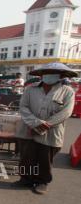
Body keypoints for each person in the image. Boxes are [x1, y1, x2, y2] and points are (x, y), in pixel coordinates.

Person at [14, 63, 76, 194]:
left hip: (51, 131)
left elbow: (66, 112)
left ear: (61, 76)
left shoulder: (67, 91)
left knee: (45, 158)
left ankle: (42, 182)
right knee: (26, 156)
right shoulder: (30, 89)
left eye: (54, 73)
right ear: (41, 75)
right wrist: (36, 123)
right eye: (47, 72)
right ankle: (26, 179)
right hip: (28, 129)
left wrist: (45, 125)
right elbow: (23, 107)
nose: (49, 75)